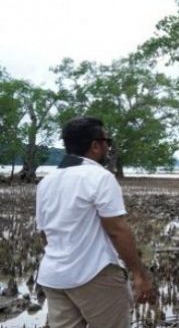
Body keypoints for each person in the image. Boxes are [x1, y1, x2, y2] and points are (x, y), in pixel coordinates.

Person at [35, 117, 155, 328]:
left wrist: (63, 260)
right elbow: (117, 230)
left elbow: (44, 233)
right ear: (95, 145)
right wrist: (139, 273)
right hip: (95, 276)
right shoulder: (100, 177)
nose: (109, 146)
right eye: (107, 141)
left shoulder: (47, 182)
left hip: (54, 278)